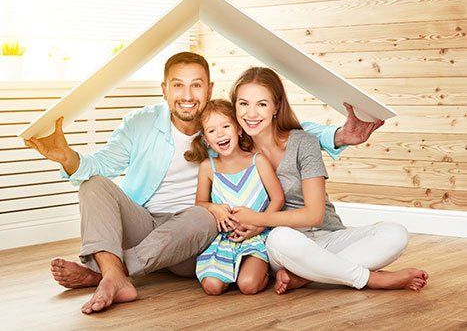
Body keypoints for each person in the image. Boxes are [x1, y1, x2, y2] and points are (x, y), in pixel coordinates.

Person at [23, 52, 384, 314]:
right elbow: (98, 164)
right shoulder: (140, 123)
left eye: (196, 85)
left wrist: (338, 135)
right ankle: (115, 274)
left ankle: (103, 273)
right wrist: (66, 156)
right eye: (178, 85)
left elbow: (286, 130)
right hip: (147, 225)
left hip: (197, 234)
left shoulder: (225, 122)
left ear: (209, 89)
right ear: (164, 89)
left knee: (202, 214)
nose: (186, 94)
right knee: (94, 184)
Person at [228, 67, 429, 294]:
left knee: (396, 233)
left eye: (262, 104)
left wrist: (257, 219)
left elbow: (314, 214)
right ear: (234, 106)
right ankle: (371, 279)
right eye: (244, 104)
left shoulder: (304, 142)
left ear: (276, 107)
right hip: (286, 247)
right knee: (280, 238)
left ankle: (303, 277)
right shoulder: (233, 149)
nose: (251, 113)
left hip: (329, 236)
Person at [184, 99, 284, 295]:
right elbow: (200, 203)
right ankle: (230, 271)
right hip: (224, 239)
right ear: (206, 139)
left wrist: (259, 226)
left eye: (225, 126)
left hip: (257, 236)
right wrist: (214, 208)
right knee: (212, 287)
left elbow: (278, 198)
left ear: (238, 129)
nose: (220, 133)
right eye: (212, 131)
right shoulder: (208, 167)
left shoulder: (258, 161)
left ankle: (263, 271)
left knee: (248, 285)